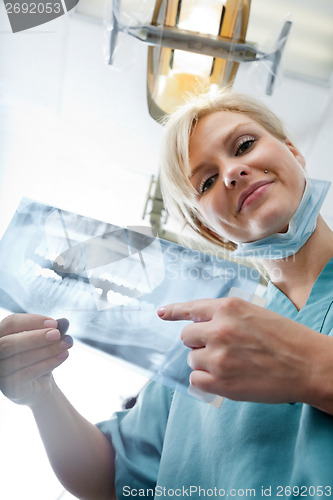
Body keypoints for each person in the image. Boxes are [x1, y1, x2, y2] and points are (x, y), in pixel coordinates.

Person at [1, 90, 333, 500]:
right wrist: (41, 394)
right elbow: (109, 477)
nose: (232, 172)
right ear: (210, 230)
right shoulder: (201, 347)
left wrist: (314, 367)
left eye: (244, 145)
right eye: (207, 181)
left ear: (293, 152)